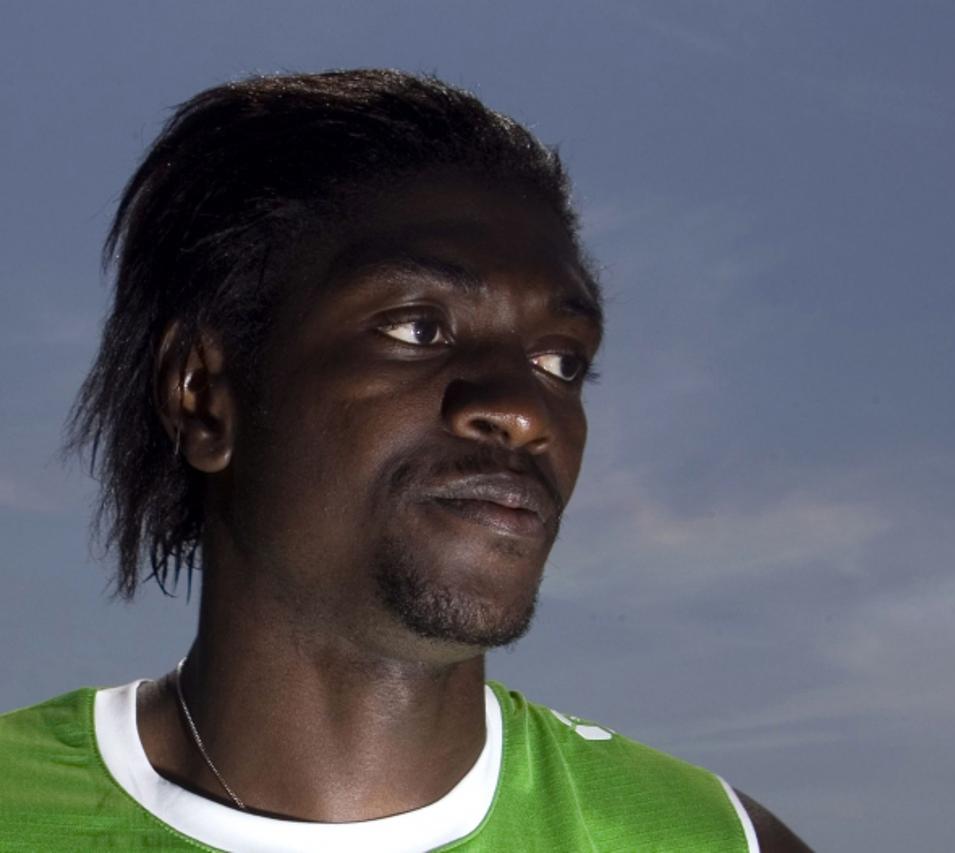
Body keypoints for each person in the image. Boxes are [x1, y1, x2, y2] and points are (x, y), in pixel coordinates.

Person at [0, 70, 809, 851]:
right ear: (204, 394)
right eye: (417, 328)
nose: (526, 411)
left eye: (561, 360)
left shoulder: (709, 842)